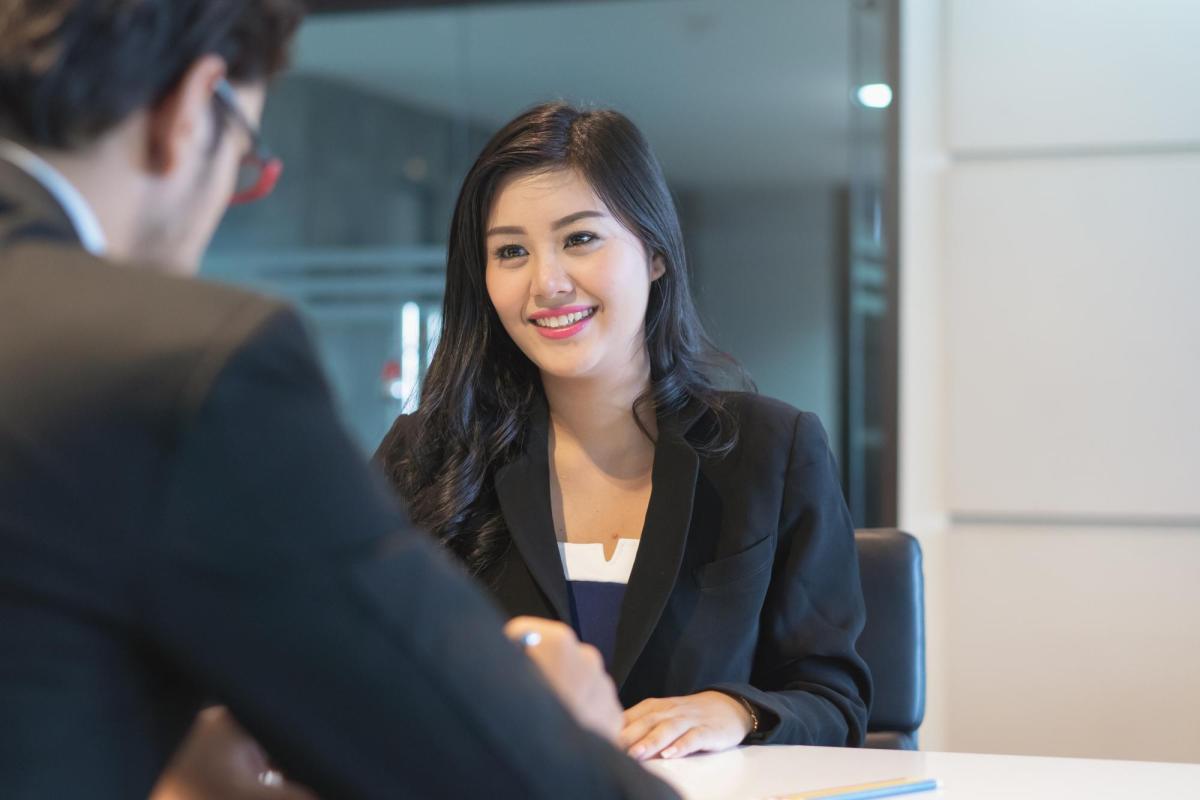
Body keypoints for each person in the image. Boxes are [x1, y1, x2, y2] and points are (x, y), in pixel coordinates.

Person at [0, 3, 677, 799]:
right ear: (192, 108)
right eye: (247, 156)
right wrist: (560, 725)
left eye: (583, 238)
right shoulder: (179, 363)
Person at [376, 102, 873, 762]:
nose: (546, 283)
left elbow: (834, 697)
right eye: (511, 251)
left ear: (656, 253)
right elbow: (354, 667)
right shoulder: (427, 455)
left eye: (580, 239)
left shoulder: (770, 450)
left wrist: (736, 709)